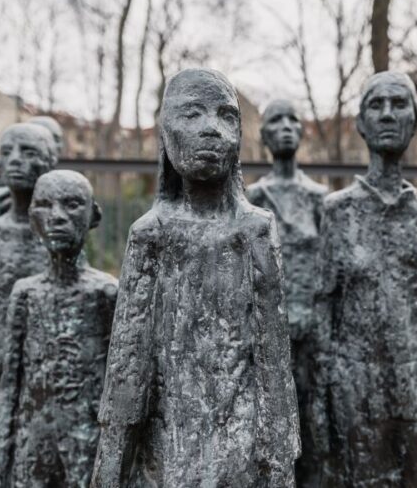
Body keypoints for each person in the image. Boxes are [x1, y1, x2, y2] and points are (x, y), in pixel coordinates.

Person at [91, 68, 300, 487]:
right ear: (166, 133)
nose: (211, 129)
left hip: (241, 446)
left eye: (226, 116)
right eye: (191, 114)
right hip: (167, 445)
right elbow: (127, 368)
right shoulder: (150, 234)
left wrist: (280, 460)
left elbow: (274, 362)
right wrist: (110, 467)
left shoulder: (256, 231)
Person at [313, 71, 417, 486]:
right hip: (355, 380)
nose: (387, 114)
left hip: (411, 375)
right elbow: (324, 301)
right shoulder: (338, 210)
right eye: (375, 105)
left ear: (414, 121)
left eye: (398, 104)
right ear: (361, 124)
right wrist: (324, 388)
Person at [0, 170, 117, 487]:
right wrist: (0, 448)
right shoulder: (25, 293)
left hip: (88, 440)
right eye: (45, 205)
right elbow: (10, 380)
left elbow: (120, 382)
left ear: (93, 216)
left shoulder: (106, 293)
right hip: (33, 439)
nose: (57, 217)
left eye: (72, 204)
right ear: (33, 220)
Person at [0, 123, 57, 486]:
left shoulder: (57, 230)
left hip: (43, 364)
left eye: (28, 152)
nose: (16, 160)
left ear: (49, 163)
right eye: (7, 152)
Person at [246, 99, 327, 486]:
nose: (285, 127)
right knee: (270, 425)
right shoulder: (252, 197)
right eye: (275, 121)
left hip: (311, 333)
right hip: (267, 335)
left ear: (302, 131)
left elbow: (328, 268)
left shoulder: (319, 197)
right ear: (263, 136)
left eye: (292, 119)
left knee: (312, 423)